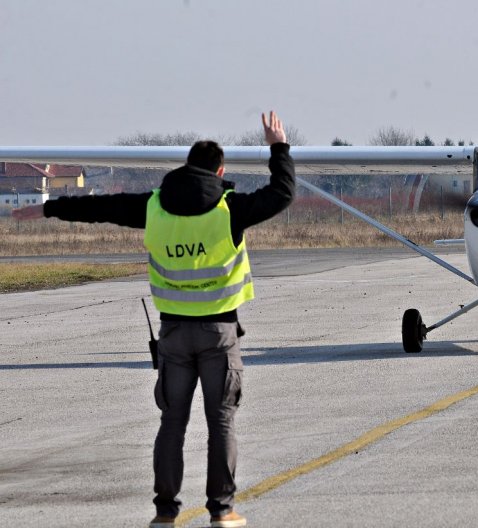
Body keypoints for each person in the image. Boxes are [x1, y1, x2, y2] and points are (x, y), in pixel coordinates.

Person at [13, 111, 295, 528]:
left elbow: (101, 208)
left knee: (172, 424)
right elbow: (282, 192)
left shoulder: (153, 207)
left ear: (186, 165)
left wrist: (48, 209)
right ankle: (222, 510)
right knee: (220, 422)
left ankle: (165, 513)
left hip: (174, 333)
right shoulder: (230, 209)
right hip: (219, 333)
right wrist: (278, 147)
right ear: (220, 171)